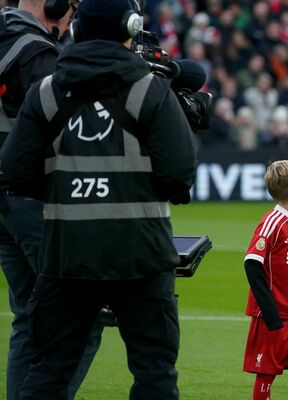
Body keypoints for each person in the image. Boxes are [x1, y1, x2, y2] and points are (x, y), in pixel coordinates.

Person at [0, 0, 197, 397]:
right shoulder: (152, 90)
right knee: (155, 373)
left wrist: (68, 189)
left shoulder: (46, 91)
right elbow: (180, 178)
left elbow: (17, 173)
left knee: (48, 368)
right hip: (142, 253)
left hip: (65, 252)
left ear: (78, 31)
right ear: (132, 26)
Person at [0, 0, 102, 398]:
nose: (74, 15)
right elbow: (72, 126)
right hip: (35, 198)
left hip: (7, 200)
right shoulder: (37, 52)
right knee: (81, 315)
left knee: (29, 317)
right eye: (73, 6)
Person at [242, 159, 288, 400]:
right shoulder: (273, 222)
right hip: (272, 315)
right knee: (267, 372)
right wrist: (270, 312)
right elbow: (252, 263)